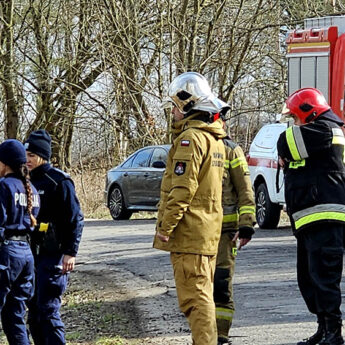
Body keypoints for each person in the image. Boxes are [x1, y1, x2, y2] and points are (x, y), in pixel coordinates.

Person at [153, 71, 227, 345]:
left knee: (195, 300)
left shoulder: (191, 140)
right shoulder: (214, 139)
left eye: (174, 106)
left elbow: (183, 189)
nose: (172, 112)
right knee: (202, 295)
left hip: (190, 234)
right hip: (206, 232)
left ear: (187, 104)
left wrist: (165, 226)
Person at [277, 88, 345, 345]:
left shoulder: (326, 130)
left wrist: (284, 152)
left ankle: (333, 333)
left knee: (325, 277)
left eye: (295, 117)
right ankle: (323, 328)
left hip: (325, 219)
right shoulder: (317, 133)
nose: (294, 123)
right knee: (309, 278)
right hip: (310, 219)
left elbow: (285, 142)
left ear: (309, 112)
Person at [24, 129, 84, 345]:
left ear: (43, 155)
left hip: (54, 254)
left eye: (32, 155)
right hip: (30, 255)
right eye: (25, 155)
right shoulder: (23, 181)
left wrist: (70, 252)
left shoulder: (59, 181)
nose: (27, 160)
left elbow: (75, 219)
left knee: (48, 310)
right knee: (34, 314)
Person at [214, 116, 256, 345]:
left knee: (221, 284)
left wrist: (246, 225)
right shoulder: (192, 147)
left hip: (225, 233)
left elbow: (245, 191)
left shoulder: (232, 150)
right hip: (198, 234)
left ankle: (221, 335)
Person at [0, 139, 40, 345]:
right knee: (14, 315)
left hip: (7, 254)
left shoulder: (4, 186)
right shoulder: (31, 189)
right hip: (26, 255)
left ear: (5, 163)